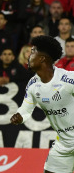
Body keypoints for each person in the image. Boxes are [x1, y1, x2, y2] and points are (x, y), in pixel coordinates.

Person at [10, 35, 74, 173]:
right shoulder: (33, 85)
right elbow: (25, 109)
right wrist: (19, 116)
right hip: (64, 143)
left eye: (32, 52)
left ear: (42, 58)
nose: (28, 55)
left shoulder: (67, 79)